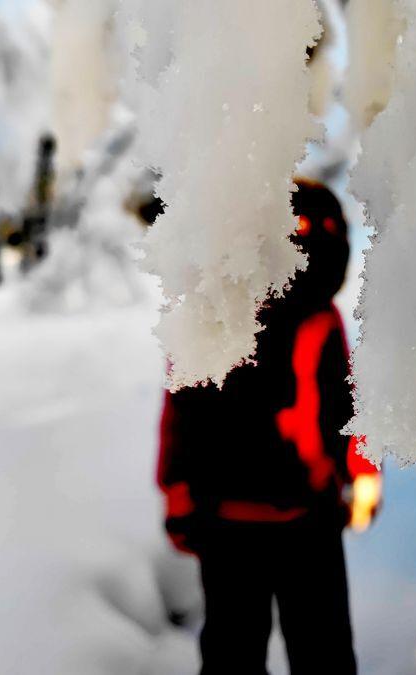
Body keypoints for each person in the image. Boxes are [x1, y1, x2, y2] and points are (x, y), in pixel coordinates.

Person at [156, 179, 381, 675]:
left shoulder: (220, 311)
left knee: (274, 650)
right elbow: (183, 408)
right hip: (267, 519)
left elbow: (345, 406)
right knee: (279, 650)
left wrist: (177, 491)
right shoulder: (222, 310)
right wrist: (363, 473)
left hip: (271, 518)